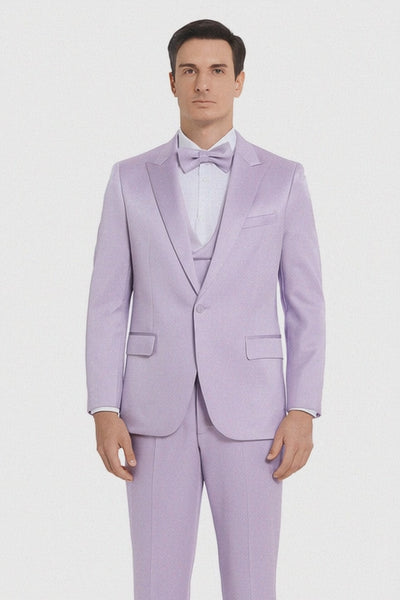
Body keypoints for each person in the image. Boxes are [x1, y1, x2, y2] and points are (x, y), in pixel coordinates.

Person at [85, 18, 325, 600]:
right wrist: (104, 407)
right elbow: (107, 303)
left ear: (239, 81)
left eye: (218, 70)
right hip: (151, 414)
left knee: (252, 585)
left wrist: (303, 408)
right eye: (189, 71)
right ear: (171, 81)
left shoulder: (284, 180)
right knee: (156, 585)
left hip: (254, 415)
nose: (203, 84)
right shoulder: (128, 180)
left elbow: (306, 304)